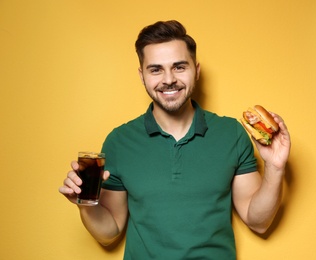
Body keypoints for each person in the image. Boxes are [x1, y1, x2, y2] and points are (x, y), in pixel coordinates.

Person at [59, 20, 291, 259]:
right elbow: (109, 233)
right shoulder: (119, 141)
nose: (168, 79)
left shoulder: (231, 133)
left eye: (179, 67)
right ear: (142, 75)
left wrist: (275, 167)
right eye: (155, 69)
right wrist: (84, 202)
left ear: (196, 70)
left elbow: (258, 222)